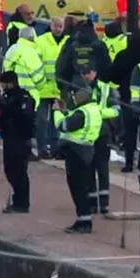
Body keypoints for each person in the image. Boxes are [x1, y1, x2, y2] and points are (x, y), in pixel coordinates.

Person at [53, 88, 103, 233]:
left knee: (77, 188)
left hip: (76, 153)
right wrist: (66, 111)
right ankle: (83, 220)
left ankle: (84, 223)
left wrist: (56, 111)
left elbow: (64, 126)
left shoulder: (82, 112)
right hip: (87, 152)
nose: (74, 99)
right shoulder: (93, 109)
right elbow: (76, 122)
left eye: (75, 97)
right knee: (82, 188)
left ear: (81, 98)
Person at [81, 66, 120, 214]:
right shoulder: (78, 88)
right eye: (83, 73)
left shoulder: (106, 89)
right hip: (86, 134)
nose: (85, 76)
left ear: (95, 73)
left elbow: (116, 110)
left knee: (102, 168)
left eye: (88, 73)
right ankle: (92, 203)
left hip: (102, 133)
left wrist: (98, 113)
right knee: (88, 168)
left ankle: (104, 204)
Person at [0, 70, 36, 213]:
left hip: (20, 138)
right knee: (10, 170)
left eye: (4, 84)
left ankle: (22, 203)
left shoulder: (23, 98)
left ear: (11, 83)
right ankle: (18, 199)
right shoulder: (7, 97)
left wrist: (7, 109)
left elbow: (24, 116)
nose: (2, 86)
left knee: (18, 171)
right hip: (10, 138)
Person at [110, 15, 140, 171]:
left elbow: (113, 75)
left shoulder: (123, 55)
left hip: (126, 97)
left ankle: (129, 163)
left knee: (130, 132)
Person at [56, 17, 112, 104]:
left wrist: (63, 87)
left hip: (73, 90)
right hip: (96, 89)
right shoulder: (99, 45)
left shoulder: (70, 43)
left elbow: (61, 67)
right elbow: (107, 70)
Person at [34, 17, 69, 158]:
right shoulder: (41, 40)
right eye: (56, 26)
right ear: (51, 25)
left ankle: (56, 148)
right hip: (44, 87)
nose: (58, 29)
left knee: (58, 119)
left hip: (60, 88)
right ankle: (42, 148)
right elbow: (36, 62)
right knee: (42, 119)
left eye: (61, 26)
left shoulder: (68, 41)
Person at [3, 26, 44, 109]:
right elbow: (38, 78)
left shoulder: (11, 50)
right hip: (29, 97)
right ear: (32, 37)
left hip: (11, 96)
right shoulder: (30, 52)